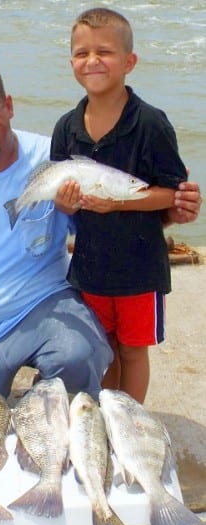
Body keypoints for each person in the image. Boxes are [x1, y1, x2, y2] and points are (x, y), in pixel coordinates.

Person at [0, 56, 201, 401]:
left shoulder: (54, 154)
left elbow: (111, 213)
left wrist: (171, 211)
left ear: (8, 106)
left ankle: (52, 408)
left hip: (45, 304)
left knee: (81, 355)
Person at [49, 8, 196, 403]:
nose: (92, 61)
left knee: (132, 350)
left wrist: (118, 204)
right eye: (82, 53)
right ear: (71, 63)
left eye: (105, 52)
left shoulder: (150, 123)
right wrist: (64, 203)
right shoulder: (66, 127)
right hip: (90, 267)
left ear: (129, 62)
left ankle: (130, 419)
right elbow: (65, 206)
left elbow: (172, 193)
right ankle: (107, 415)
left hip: (140, 269)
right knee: (103, 347)